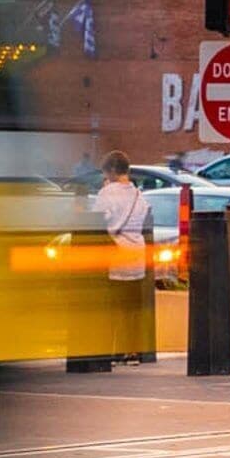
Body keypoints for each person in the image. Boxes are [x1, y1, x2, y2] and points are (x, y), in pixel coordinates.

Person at [84, 152, 151, 371]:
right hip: (137, 255)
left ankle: (113, 351)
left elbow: (96, 220)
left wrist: (106, 189)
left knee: (113, 308)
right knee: (132, 309)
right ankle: (133, 352)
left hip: (116, 255)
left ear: (111, 171)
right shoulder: (139, 195)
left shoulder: (107, 193)